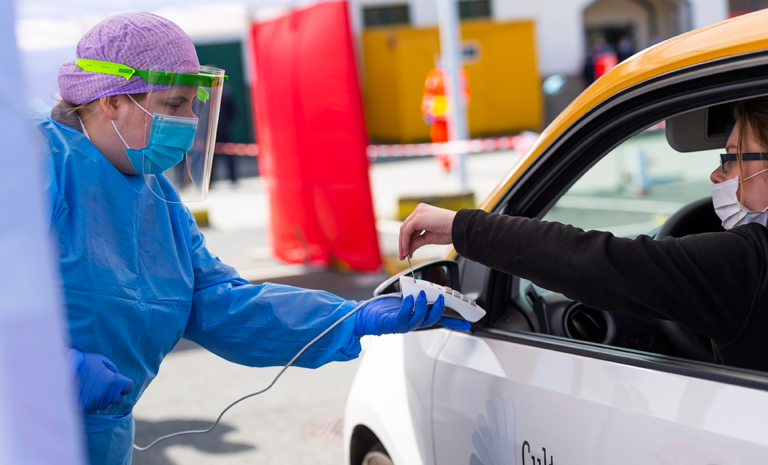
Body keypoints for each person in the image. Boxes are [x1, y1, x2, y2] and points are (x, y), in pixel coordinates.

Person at [38, 13, 469, 464]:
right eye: (173, 104)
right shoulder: (33, 167)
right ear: (111, 101)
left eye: (193, 104)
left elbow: (221, 303)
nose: (188, 121)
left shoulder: (155, 196)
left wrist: (349, 319)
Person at [400, 96, 768, 373]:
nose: (717, 175)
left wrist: (461, 227)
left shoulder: (746, 265)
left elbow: (595, 263)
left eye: (732, 157)